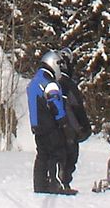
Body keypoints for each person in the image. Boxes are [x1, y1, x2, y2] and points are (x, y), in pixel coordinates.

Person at [26, 49, 72, 194]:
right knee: (58, 153)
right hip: (50, 125)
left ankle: (40, 185)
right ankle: (56, 184)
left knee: (42, 156)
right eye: (58, 63)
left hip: (37, 126)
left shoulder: (35, 81)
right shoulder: (49, 82)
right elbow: (54, 103)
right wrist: (63, 122)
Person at [55, 49, 91, 192]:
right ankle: (63, 181)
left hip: (56, 125)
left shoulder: (53, 82)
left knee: (60, 154)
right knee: (70, 155)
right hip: (69, 125)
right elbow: (77, 107)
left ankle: (60, 181)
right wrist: (84, 126)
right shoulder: (68, 84)